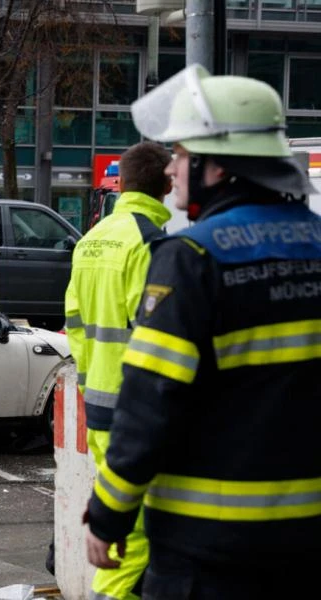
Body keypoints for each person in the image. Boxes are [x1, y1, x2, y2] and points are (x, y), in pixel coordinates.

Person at [84, 65, 321, 598]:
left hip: (210, 548)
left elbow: (149, 401)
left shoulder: (191, 258)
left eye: (185, 157)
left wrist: (109, 512)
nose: (173, 172)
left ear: (218, 168)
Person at [64, 141, 172, 600]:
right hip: (137, 415)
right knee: (137, 535)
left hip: (101, 406)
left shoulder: (93, 240)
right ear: (166, 185)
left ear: (121, 183)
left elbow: (73, 321)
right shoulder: (149, 243)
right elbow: (157, 341)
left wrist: (93, 384)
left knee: (122, 523)